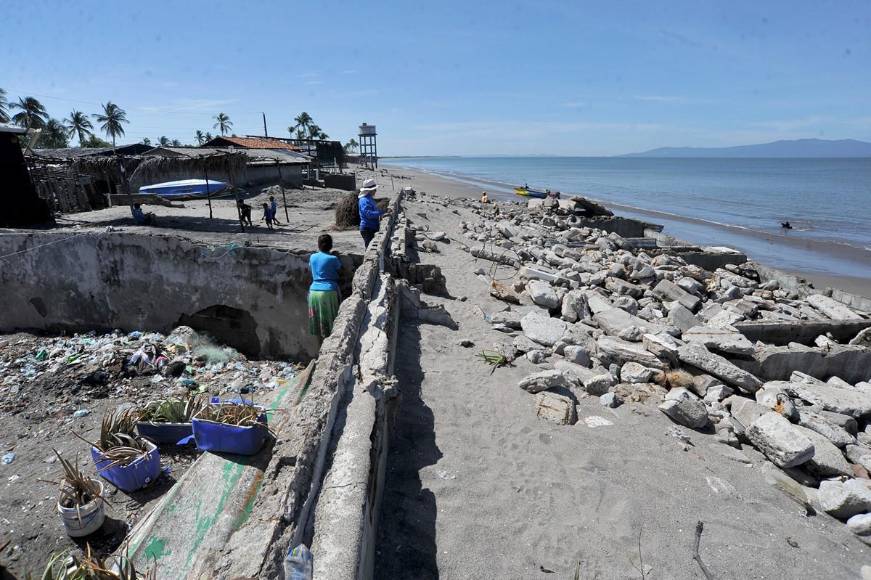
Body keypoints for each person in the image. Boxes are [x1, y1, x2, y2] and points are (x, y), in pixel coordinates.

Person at [308, 234, 342, 341]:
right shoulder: (333, 258)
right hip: (328, 292)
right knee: (333, 323)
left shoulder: (312, 257)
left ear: (318, 245)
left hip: (313, 292)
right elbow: (340, 270)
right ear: (331, 245)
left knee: (319, 324)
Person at [357, 178, 383, 248]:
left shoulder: (369, 199)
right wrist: (381, 212)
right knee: (370, 248)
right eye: (374, 189)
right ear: (370, 190)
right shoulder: (364, 200)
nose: (375, 191)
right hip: (368, 228)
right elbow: (368, 214)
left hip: (371, 227)